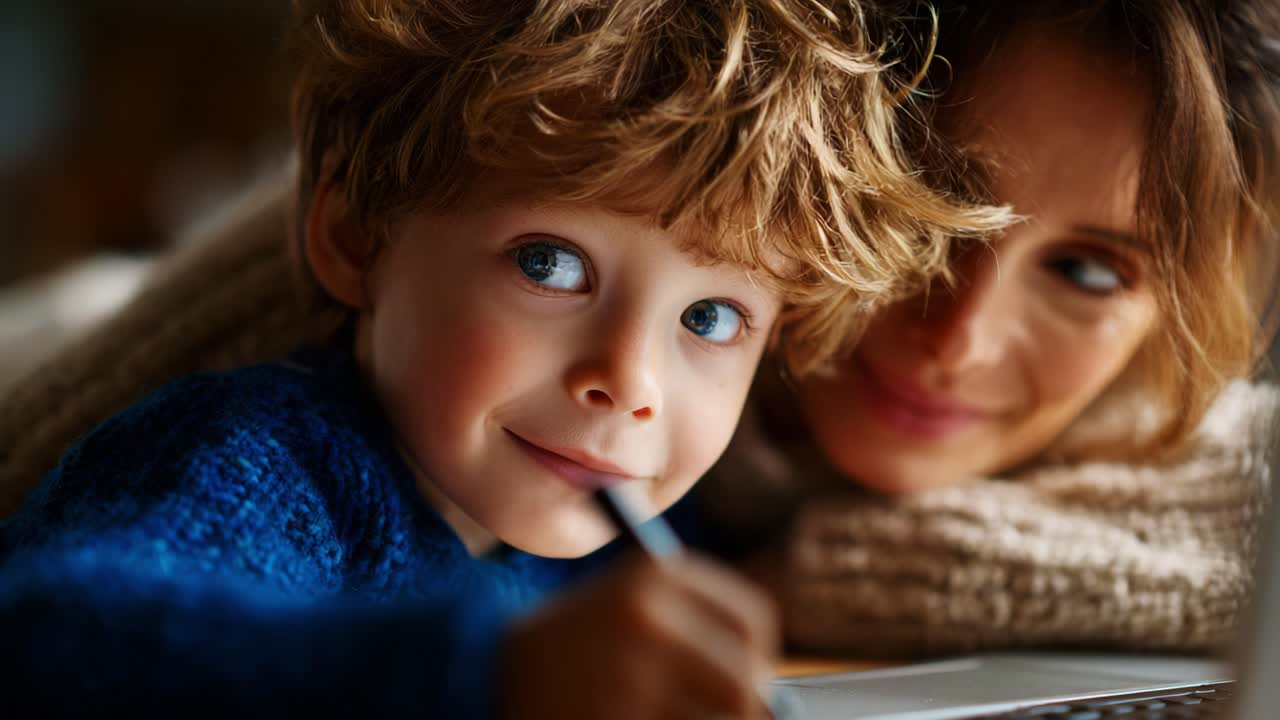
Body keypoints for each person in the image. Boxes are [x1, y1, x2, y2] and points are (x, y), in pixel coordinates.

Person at [0, 0, 1010, 716]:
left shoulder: (636, 528)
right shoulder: (270, 465)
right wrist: (489, 675)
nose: (627, 380)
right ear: (356, 238)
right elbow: (51, 642)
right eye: (549, 263)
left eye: (706, 320)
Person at [699, 0, 1280, 656]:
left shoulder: (1177, 443)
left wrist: (806, 581)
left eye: (1084, 272)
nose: (961, 337)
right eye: (926, 203)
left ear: (1167, 316)